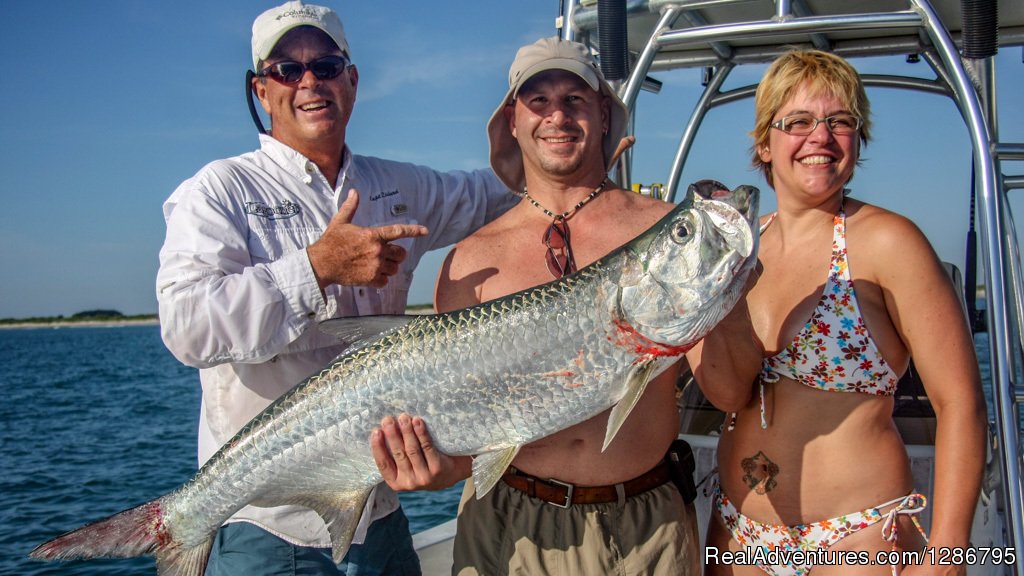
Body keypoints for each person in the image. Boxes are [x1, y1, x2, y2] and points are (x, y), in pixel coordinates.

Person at [368, 36, 755, 576]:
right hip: (507, 529)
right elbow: (466, 443)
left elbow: (731, 392)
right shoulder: (471, 259)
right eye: (538, 101)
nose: (558, 116)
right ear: (512, 122)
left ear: (601, 114)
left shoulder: (668, 232)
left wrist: (728, 295)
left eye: (574, 99)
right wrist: (429, 468)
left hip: (646, 526)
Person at [155, 2, 517, 574]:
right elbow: (186, 328)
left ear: (351, 80)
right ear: (260, 89)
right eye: (285, 70)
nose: (308, 83)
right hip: (268, 529)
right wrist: (315, 268)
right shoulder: (219, 191)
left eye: (324, 65)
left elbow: (495, 194)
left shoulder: (399, 184)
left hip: (380, 512)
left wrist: (585, 165)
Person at [690, 49, 986, 576]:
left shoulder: (890, 242)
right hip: (739, 534)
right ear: (765, 142)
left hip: (856, 537)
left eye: (840, 122)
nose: (820, 137)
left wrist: (948, 554)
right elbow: (727, 394)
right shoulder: (737, 247)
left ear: (858, 139)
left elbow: (960, 402)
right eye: (797, 122)